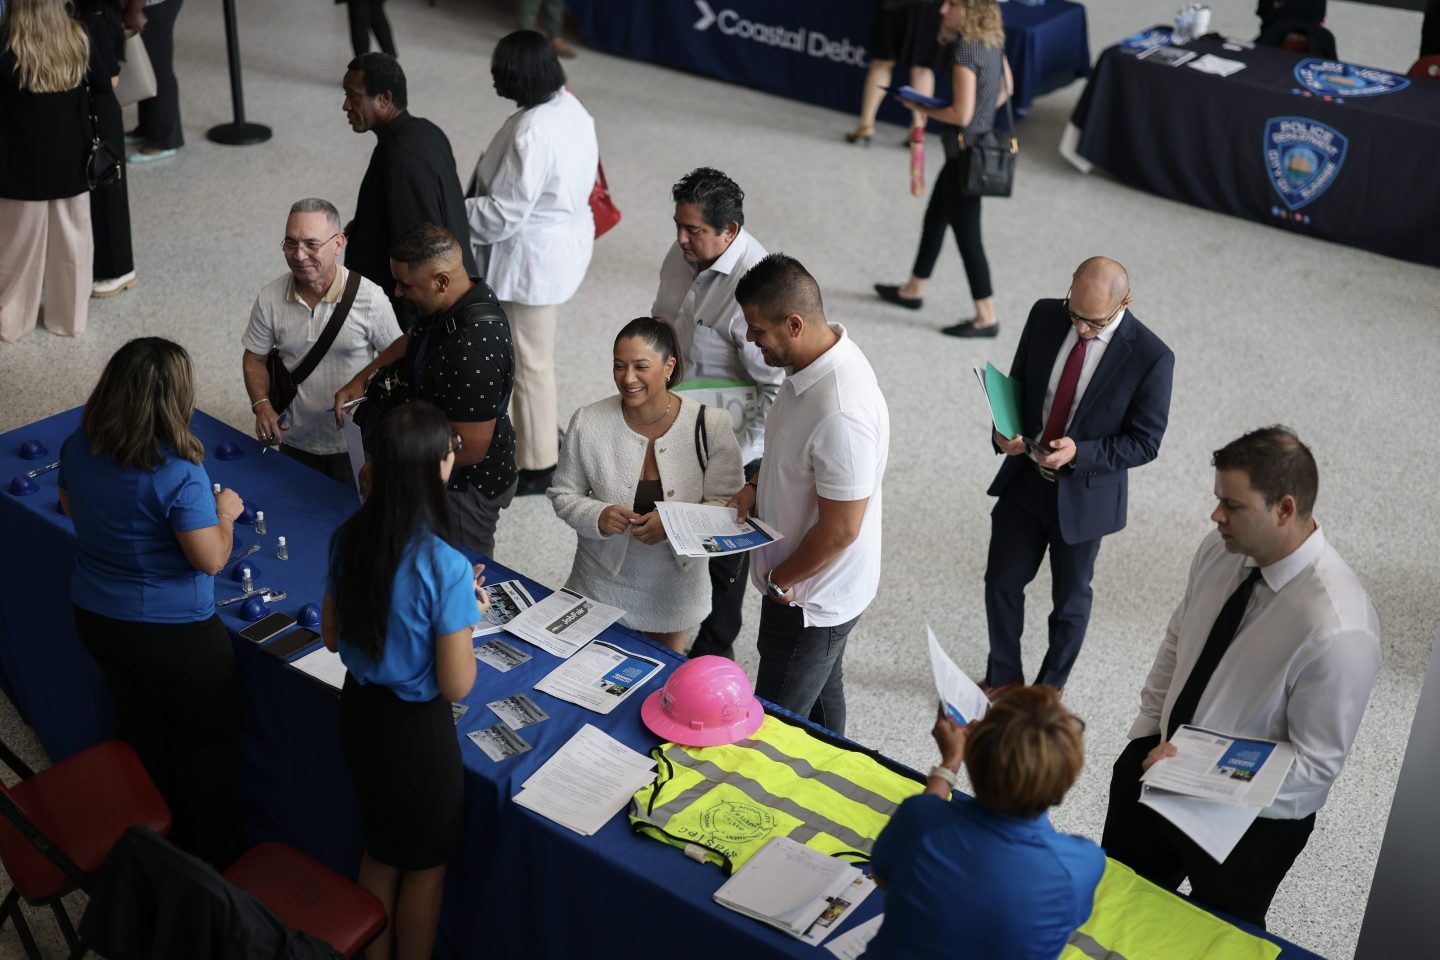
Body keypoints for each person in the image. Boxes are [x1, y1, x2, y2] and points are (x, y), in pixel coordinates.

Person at [1102, 426, 1381, 928]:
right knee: (1114, 908)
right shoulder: (1219, 550)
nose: (1216, 516)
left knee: (1213, 938)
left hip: (1247, 831)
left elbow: (1315, 767)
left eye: (1232, 505)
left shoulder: (1339, 627)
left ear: (1285, 508)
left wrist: (1196, 772)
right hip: (1152, 768)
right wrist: (1146, 731)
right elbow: (1178, 639)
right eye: (1217, 501)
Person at [59, 338, 245, 868]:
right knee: (208, 757)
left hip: (96, 616)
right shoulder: (178, 473)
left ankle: (155, 854)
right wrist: (224, 513)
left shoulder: (78, 445)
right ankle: (215, 876)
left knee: (143, 739)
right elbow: (209, 560)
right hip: (176, 638)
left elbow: (70, 507)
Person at [323, 401, 482, 960]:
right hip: (414, 736)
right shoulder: (446, 566)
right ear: (437, 465)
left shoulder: (349, 536)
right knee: (423, 871)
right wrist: (464, 617)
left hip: (359, 711)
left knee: (380, 851)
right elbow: (458, 684)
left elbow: (331, 636)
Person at [980, 257, 1173, 699]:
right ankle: (1004, 675)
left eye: (1094, 322)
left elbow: (1145, 442)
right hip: (1026, 478)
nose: (1082, 328)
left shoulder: (1152, 357)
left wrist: (1079, 453)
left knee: (1068, 603)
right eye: (1076, 315)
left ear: (1125, 302)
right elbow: (1021, 384)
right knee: (1001, 582)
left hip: (1084, 495)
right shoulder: (1046, 315)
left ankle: (1048, 691)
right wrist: (1003, 429)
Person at [731, 254, 889, 735]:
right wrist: (756, 486)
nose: (750, 340)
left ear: (794, 324)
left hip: (807, 599)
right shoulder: (809, 362)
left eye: (757, 331)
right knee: (822, 702)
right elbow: (789, 445)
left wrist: (781, 580)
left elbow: (841, 529)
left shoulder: (841, 410)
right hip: (806, 590)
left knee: (773, 724)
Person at [549, 318, 743, 652]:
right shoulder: (588, 421)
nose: (628, 378)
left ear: (669, 367)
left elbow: (732, 512)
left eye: (641, 366)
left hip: (672, 593)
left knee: (656, 687)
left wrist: (673, 525)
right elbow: (563, 494)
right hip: (598, 584)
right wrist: (597, 514)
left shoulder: (711, 426)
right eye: (619, 366)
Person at [650, 167, 781, 661]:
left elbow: (774, 390)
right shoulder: (683, 252)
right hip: (678, 420)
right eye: (678, 226)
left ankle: (713, 653)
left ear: (730, 232)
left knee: (722, 561)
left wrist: (732, 462)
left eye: (694, 231)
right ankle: (662, 628)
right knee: (668, 536)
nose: (681, 239)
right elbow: (664, 320)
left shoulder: (758, 283)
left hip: (735, 442)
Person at [867, 686, 1104, 959]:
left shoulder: (921, 820)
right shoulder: (1081, 864)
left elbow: (885, 880)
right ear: (1065, 782)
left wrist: (950, 762)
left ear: (974, 757)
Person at [465, 30, 597, 496]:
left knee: (529, 364)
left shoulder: (533, 131)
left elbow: (504, 212)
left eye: (499, 74)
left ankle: (539, 463)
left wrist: (451, 213)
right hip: (554, 246)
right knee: (534, 358)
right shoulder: (568, 105)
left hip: (531, 260)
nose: (494, 81)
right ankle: (539, 439)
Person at [334, 225, 517, 558]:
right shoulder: (452, 301)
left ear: (441, 281)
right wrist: (362, 378)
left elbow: (472, 447)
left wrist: (393, 469)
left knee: (456, 573)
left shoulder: (472, 348)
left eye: (406, 285)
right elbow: (415, 338)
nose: (398, 292)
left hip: (463, 489)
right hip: (428, 462)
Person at [873, 0, 1013, 338]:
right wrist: (982, 113)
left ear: (970, 9)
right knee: (935, 219)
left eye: (952, 4)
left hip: (963, 156)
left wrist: (917, 105)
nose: (943, 9)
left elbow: (960, 115)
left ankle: (986, 316)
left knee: (969, 238)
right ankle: (913, 290)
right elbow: (1007, 88)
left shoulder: (965, 52)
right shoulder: (992, 41)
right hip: (971, 152)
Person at [241, 198, 401, 487]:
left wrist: (363, 384)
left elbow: (396, 353)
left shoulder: (370, 299)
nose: (299, 255)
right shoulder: (270, 298)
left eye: (311, 244)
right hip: (293, 438)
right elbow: (254, 357)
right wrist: (262, 405)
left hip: (353, 442)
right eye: (290, 243)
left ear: (338, 244)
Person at [342, 52, 475, 320]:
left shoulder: (400, 158)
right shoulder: (426, 131)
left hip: (408, 317)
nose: (346, 105)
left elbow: (418, 256)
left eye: (353, 95)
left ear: (384, 99)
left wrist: (411, 338)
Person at [0, 0, 97, 342]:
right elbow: (101, 87)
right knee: (74, 247)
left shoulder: (7, 47)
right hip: (72, 162)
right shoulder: (78, 38)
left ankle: (12, 319)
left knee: (17, 248)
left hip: (20, 167)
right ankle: (69, 318)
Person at [77, 0, 137, 298]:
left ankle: (119, 270)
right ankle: (109, 266)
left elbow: (109, 78)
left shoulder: (92, 25)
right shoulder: (96, 21)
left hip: (101, 115)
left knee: (107, 188)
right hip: (98, 114)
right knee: (102, 188)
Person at [846, 0, 947, 145]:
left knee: (883, 62)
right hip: (930, 6)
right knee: (922, 68)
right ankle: (917, 131)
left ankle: (865, 125)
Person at [122, 0, 183, 164]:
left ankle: (164, 140)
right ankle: (147, 127)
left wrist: (134, 11)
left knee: (157, 67)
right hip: (146, 5)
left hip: (152, 5)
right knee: (145, 62)